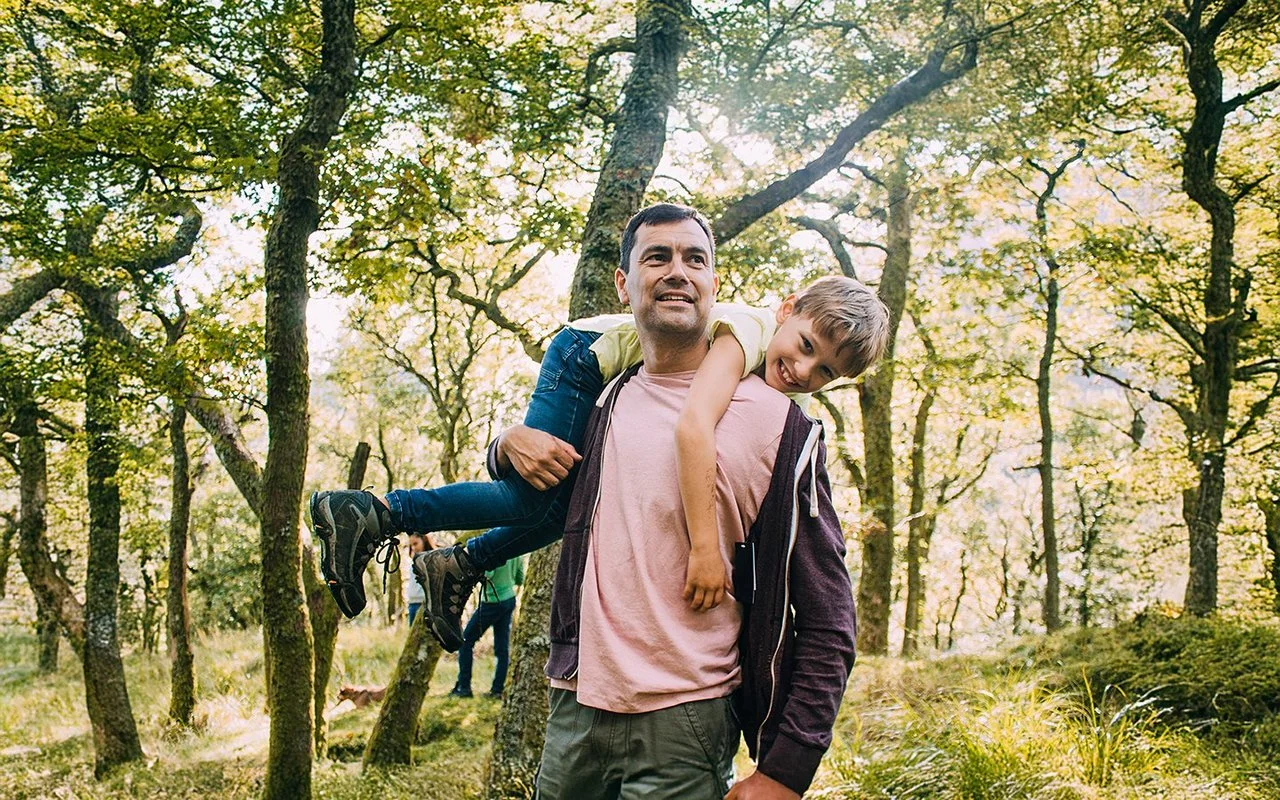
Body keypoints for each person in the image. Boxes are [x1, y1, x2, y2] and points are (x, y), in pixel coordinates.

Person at [309, 205, 888, 651]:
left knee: (561, 507)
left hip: (595, 360)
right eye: (807, 346)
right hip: (581, 354)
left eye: (826, 372)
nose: (805, 370)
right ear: (786, 310)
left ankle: (459, 564)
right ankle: (380, 513)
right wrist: (707, 548)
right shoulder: (746, 333)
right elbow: (693, 426)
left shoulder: (770, 365)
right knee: (531, 492)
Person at [521, 204, 863, 799]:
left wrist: (787, 770)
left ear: (714, 285)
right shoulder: (608, 396)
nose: (678, 272)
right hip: (574, 707)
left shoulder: (787, 431)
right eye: (658, 257)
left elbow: (830, 618)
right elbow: (540, 495)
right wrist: (504, 445)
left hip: (686, 722)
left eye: (695, 260)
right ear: (625, 285)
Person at [450, 554, 524, 698]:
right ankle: (497, 690)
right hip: (508, 599)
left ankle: (464, 688)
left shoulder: (494, 546)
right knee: (502, 648)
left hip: (492, 602)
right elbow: (520, 578)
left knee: (465, 641)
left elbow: (488, 574)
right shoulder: (516, 549)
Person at [404, 533, 427, 626]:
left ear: (423, 540)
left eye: (415, 543)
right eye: (411, 545)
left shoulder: (430, 560)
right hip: (412, 603)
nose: (413, 548)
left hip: (423, 604)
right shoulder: (414, 561)